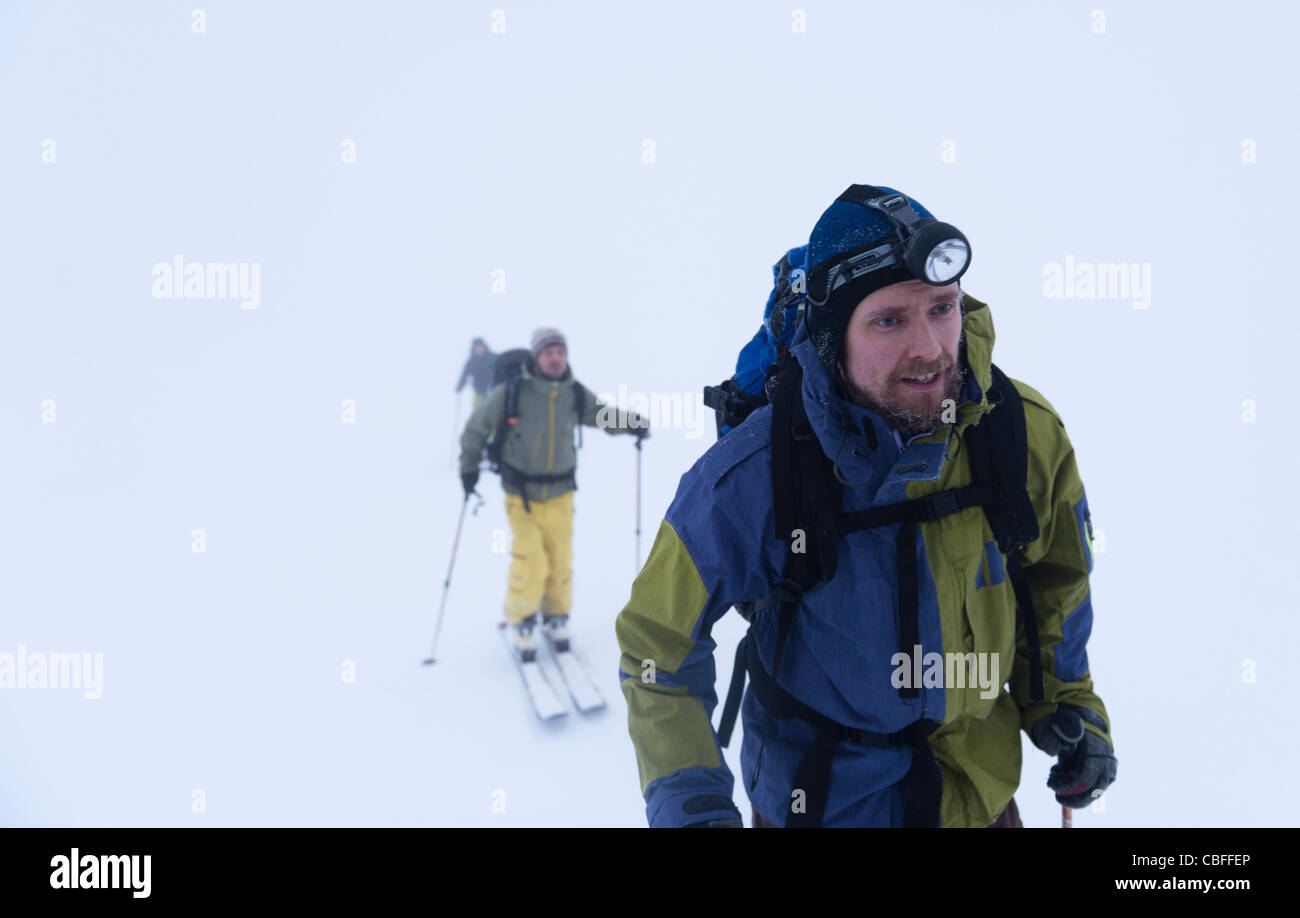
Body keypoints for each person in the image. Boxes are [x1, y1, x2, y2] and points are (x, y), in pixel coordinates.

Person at [615, 185, 1117, 827]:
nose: (931, 348)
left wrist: (1068, 702)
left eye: (942, 309)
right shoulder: (756, 473)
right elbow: (657, 641)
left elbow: (1057, 578)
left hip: (979, 797)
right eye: (889, 320)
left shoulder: (1018, 432)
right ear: (833, 337)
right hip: (820, 806)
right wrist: (692, 802)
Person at [460, 328, 648, 660]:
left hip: (562, 494)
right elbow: (476, 427)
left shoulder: (573, 393)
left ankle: (557, 615)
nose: (556, 358)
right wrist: (469, 468)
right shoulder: (512, 393)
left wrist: (632, 422)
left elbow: (601, 415)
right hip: (522, 496)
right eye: (549, 352)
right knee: (531, 559)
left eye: (561, 352)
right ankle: (521, 619)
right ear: (536, 356)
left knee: (560, 560)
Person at [456, 337, 497, 409]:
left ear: (484, 347)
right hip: (479, 392)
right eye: (476, 348)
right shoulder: (472, 362)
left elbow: (501, 369)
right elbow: (464, 375)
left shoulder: (493, 357)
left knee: (492, 411)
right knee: (478, 412)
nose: (478, 349)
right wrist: (460, 385)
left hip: (493, 391)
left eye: (480, 347)